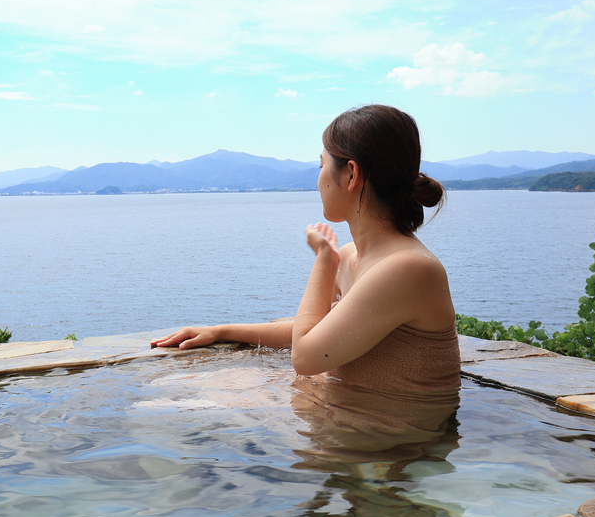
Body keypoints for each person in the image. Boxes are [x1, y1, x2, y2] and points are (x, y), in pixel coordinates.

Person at [151, 104, 460, 393]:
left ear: (351, 174)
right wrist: (221, 331)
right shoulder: (359, 256)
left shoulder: (407, 268)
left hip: (386, 442)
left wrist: (325, 259)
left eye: (322, 165)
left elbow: (306, 357)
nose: (318, 180)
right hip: (349, 421)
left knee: (169, 402)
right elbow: (321, 333)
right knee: (170, 391)